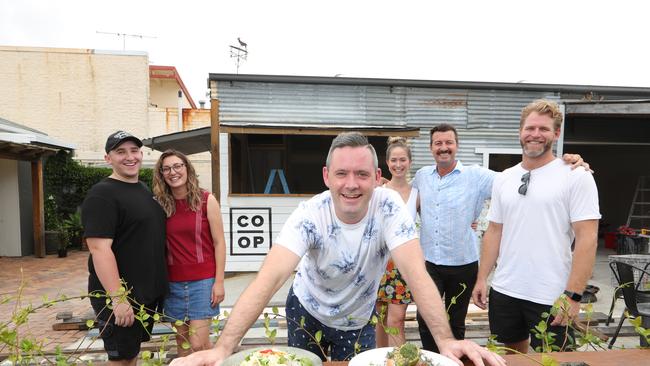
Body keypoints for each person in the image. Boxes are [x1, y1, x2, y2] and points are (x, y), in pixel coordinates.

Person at [171, 132, 506, 366]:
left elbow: (417, 275)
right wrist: (224, 348)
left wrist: (446, 341)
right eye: (341, 173)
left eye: (361, 174)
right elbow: (267, 280)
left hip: (357, 319)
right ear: (326, 176)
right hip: (307, 310)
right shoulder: (308, 215)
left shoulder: (390, 207)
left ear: (377, 176)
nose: (351, 184)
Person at [413, 124, 590, 352]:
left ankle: (452, 359)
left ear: (457, 146)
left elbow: (517, 181)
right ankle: (430, 358)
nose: (444, 148)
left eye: (449, 142)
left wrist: (569, 165)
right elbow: (406, 197)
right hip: (429, 261)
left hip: (462, 263)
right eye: (438, 143)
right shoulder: (421, 176)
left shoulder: (476, 176)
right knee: (425, 316)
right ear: (431, 148)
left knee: (456, 320)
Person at [471, 99, 600, 353]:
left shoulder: (576, 176)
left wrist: (573, 296)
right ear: (520, 131)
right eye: (530, 128)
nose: (535, 135)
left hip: (552, 295)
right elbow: (494, 230)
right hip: (506, 289)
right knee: (513, 353)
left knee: (557, 358)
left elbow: (588, 238)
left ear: (556, 133)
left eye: (543, 129)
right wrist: (482, 278)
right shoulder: (505, 178)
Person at [82, 131, 168, 366]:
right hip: (120, 297)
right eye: (120, 152)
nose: (129, 157)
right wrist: (118, 299)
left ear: (141, 154)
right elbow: (99, 249)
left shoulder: (142, 189)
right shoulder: (102, 195)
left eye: (134, 151)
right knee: (121, 360)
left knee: (131, 356)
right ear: (107, 158)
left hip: (143, 296)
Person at [153, 150, 227, 356]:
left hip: (202, 283)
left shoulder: (206, 200)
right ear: (161, 174)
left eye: (178, 166)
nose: (173, 172)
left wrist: (219, 281)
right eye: (166, 168)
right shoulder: (159, 205)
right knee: (183, 346)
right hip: (172, 284)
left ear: (187, 169)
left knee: (198, 344)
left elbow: (219, 243)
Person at [376, 137, 418, 348]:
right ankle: (379, 359)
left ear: (410, 162)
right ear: (387, 162)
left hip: (402, 265)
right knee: (380, 319)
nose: (398, 165)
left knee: (397, 320)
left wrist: (473, 222)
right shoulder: (378, 192)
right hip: (378, 263)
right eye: (394, 160)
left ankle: (398, 360)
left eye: (402, 159)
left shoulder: (418, 194)